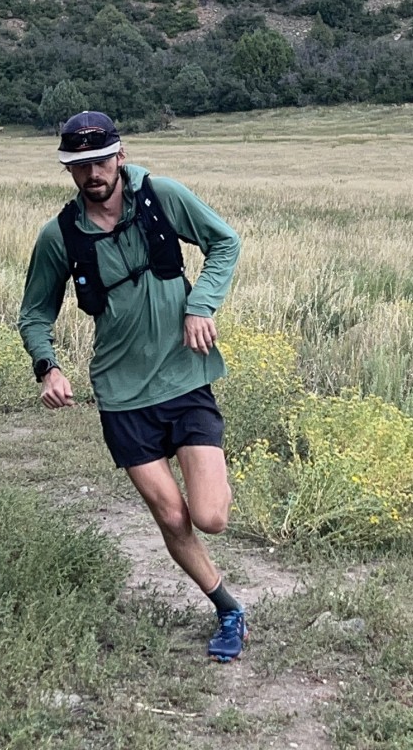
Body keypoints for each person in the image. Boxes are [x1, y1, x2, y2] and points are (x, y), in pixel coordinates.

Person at [18, 111, 249, 662]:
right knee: (171, 517)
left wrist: (201, 305)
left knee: (210, 516)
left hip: (185, 377)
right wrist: (48, 367)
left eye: (101, 160)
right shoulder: (59, 236)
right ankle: (228, 609)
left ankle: (211, 475)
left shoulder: (162, 197)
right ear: (68, 169)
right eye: (80, 165)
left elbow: (225, 242)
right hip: (122, 397)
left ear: (120, 156)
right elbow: (34, 314)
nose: (92, 173)